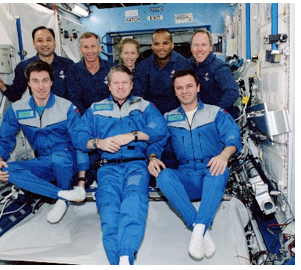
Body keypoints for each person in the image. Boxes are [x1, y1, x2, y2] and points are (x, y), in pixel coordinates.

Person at [73, 65, 168, 265]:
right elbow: (78, 136)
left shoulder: (143, 106)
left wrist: (133, 135)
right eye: (116, 82)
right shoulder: (95, 109)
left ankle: (125, 254)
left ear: (132, 85)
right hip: (107, 166)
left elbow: (160, 128)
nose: (121, 86)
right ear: (109, 85)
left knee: (134, 201)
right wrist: (99, 143)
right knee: (109, 209)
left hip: (136, 164)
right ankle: (119, 263)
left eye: (125, 82)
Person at [149, 69, 240, 260]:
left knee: (219, 169)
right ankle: (202, 233)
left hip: (211, 174)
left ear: (198, 87)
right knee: (163, 176)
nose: (184, 91)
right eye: (179, 88)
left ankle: (197, 232)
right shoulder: (168, 118)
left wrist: (224, 155)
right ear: (174, 92)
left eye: (189, 86)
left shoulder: (215, 113)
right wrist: (152, 157)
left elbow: (233, 136)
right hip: (186, 178)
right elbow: (156, 141)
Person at [0, 60, 86, 224]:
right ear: (29, 83)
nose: (41, 86)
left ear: (51, 82)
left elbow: (81, 143)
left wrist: (81, 179)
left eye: (45, 80)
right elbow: (4, 138)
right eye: (35, 81)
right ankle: (62, 195)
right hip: (44, 161)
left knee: (59, 157)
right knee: (9, 169)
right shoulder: (17, 109)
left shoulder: (66, 107)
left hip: (68, 161)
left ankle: (62, 197)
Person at [0, 26, 75, 102]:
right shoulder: (24, 67)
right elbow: (15, 95)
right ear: (34, 44)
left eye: (48, 40)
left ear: (55, 43)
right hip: (40, 115)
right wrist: (2, 85)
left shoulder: (68, 65)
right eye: (40, 40)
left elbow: (76, 94)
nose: (45, 44)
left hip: (66, 115)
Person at [132, 29, 192, 114]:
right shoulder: (143, 67)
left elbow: (190, 94)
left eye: (165, 43)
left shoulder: (184, 65)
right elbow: (137, 93)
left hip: (178, 115)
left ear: (172, 45)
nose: (161, 47)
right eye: (157, 44)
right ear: (152, 46)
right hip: (151, 115)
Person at [189, 29, 241, 119]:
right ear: (191, 48)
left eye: (203, 45)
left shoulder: (219, 68)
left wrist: (213, 114)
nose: (199, 49)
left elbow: (232, 92)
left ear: (211, 47)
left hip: (221, 120)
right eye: (196, 45)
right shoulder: (188, 66)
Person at [68, 32, 115, 113]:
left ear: (99, 48)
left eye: (93, 46)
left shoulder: (113, 69)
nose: (90, 51)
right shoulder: (73, 71)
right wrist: (87, 118)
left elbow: (119, 94)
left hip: (111, 117)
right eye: (86, 47)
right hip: (84, 118)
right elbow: (75, 99)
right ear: (80, 50)